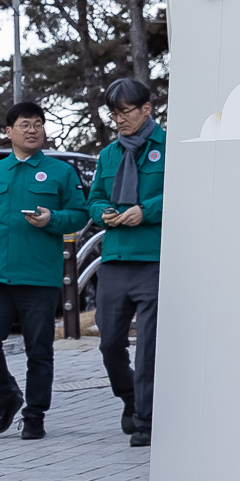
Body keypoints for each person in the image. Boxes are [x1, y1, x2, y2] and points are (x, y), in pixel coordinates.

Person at [0, 100, 90, 438]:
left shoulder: (60, 173)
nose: (33, 129)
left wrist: (52, 219)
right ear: (9, 132)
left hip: (39, 279)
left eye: (38, 124)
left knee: (38, 350)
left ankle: (35, 414)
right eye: (25, 124)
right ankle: (6, 393)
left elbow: (81, 214)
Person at [92, 77, 166, 447]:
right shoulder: (109, 154)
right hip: (115, 259)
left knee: (149, 344)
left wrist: (147, 211)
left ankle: (146, 420)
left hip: (152, 259)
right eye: (114, 114)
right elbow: (94, 198)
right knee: (109, 343)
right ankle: (129, 398)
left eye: (125, 112)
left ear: (146, 109)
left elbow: (189, 192)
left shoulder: (169, 147)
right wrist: (103, 211)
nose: (119, 120)